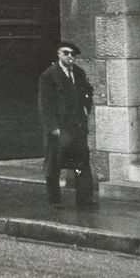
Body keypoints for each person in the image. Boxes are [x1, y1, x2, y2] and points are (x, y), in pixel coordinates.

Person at [38, 41, 95, 208]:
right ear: (59, 54)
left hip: (77, 126)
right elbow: (45, 104)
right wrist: (52, 127)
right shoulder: (48, 76)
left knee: (82, 163)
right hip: (59, 127)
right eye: (66, 53)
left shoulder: (79, 73)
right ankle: (54, 200)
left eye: (72, 54)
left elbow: (87, 92)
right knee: (54, 164)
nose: (70, 57)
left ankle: (85, 199)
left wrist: (86, 108)